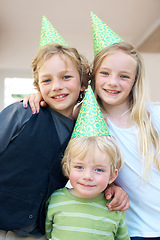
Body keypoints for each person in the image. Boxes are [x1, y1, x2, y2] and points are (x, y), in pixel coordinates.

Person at [0, 17, 90, 240]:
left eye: (66, 77)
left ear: (82, 83)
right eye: (46, 81)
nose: (57, 86)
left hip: (41, 231)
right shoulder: (23, 112)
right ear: (37, 86)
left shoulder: (85, 130)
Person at [90, 12, 160, 240]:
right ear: (93, 77)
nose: (113, 82)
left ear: (134, 82)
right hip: (135, 232)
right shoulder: (88, 120)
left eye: (124, 76)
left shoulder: (155, 115)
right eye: (105, 73)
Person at [45, 85, 130, 240]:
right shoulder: (54, 200)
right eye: (79, 167)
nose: (87, 176)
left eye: (98, 170)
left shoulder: (114, 208)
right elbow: (49, 234)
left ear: (112, 175)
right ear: (66, 168)